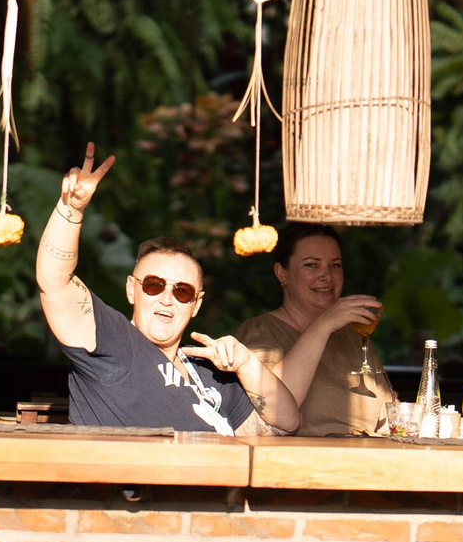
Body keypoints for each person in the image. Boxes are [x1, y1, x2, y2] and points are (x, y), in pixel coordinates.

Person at [36, 145, 300, 435]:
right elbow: (55, 282)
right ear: (131, 290)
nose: (166, 298)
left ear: (196, 304)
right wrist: (70, 210)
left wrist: (247, 362)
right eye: (154, 285)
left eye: (182, 291)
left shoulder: (210, 370)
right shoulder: (114, 344)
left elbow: (288, 421)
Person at [231, 224, 398, 436]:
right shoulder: (260, 332)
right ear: (282, 273)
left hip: (369, 461)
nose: (326, 276)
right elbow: (269, 412)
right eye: (311, 265)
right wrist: (323, 325)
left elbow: (389, 417)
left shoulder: (354, 335)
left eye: (335, 266)